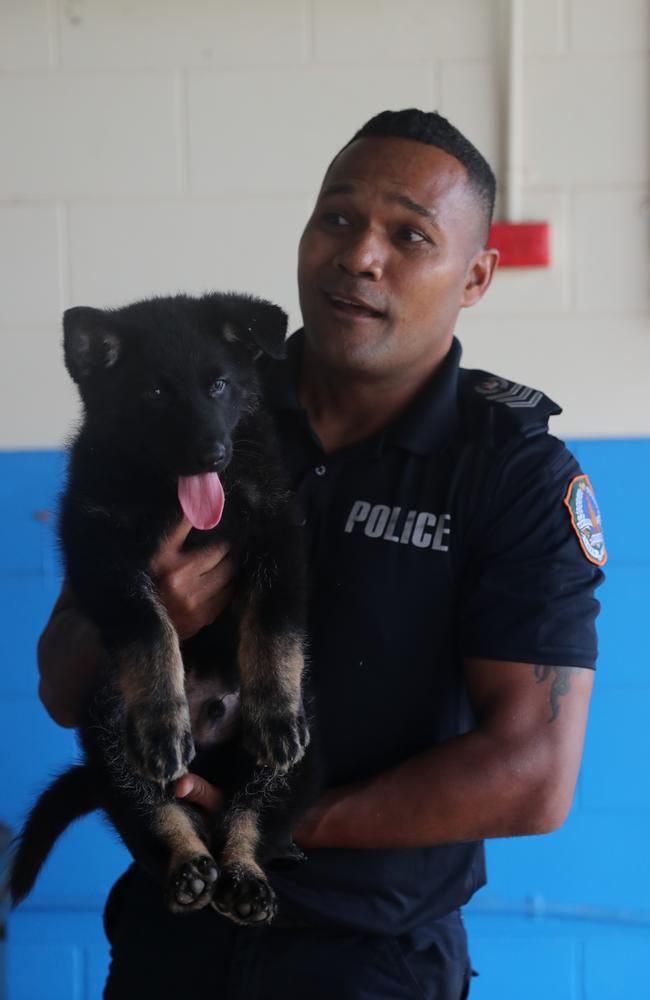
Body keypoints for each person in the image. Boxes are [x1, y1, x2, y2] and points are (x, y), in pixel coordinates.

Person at [38, 109, 605, 1000]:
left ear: (477, 276)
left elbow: (534, 777)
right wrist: (151, 610)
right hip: (169, 938)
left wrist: (273, 826)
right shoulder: (197, 402)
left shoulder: (510, 472)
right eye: (336, 218)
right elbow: (61, 683)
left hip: (369, 956)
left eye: (409, 234)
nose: (359, 255)